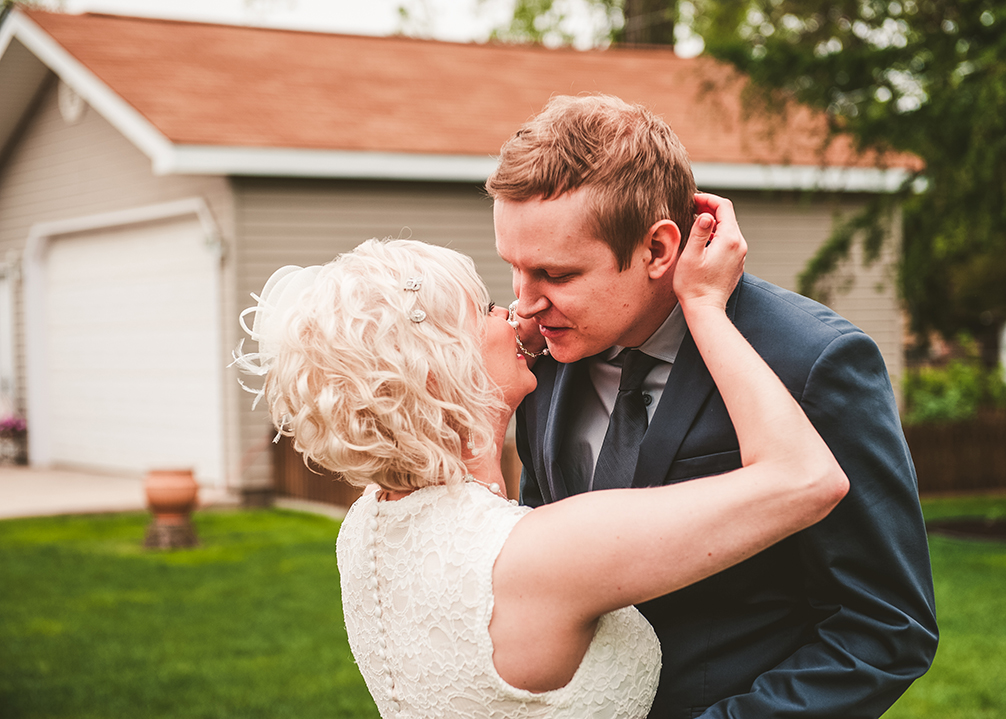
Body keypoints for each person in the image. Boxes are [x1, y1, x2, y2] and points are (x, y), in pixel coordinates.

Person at [235, 231, 848, 718]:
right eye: (485, 310)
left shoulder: (364, 531)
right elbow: (806, 478)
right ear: (439, 373)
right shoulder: (543, 554)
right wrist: (706, 305)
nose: (517, 313)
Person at [487, 94, 939, 718]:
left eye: (557, 275)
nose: (526, 303)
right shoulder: (541, 356)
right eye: (513, 266)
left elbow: (885, 627)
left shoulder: (814, 363)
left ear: (657, 250)